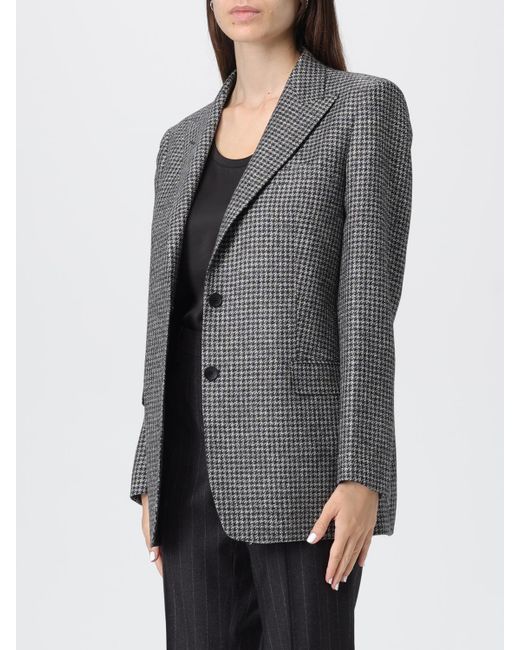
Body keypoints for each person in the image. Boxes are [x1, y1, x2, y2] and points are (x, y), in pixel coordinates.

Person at [130, 1, 413, 647]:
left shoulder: (361, 109)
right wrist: (150, 469)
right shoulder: (179, 143)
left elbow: (368, 309)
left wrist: (363, 472)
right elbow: (164, 317)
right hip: (186, 469)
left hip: (304, 475)